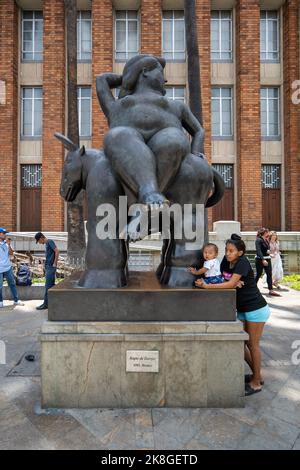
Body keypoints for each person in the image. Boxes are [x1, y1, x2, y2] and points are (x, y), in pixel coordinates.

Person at [96, 54, 205, 210]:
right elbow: (101, 79)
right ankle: (149, 194)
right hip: (127, 147)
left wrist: (196, 154)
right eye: (161, 73)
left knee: (173, 138)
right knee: (118, 135)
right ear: (145, 71)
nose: (165, 80)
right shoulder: (118, 106)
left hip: (169, 149)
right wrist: (129, 76)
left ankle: (147, 200)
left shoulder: (176, 106)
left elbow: (198, 130)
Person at [196, 234, 270, 396]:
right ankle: (257, 375)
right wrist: (231, 282)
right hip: (242, 308)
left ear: (240, 253)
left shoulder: (242, 263)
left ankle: (256, 383)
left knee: (252, 345)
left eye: (231, 251)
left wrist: (207, 287)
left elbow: (229, 284)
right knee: (240, 345)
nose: (228, 253)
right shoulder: (225, 262)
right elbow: (222, 277)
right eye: (226, 250)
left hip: (255, 308)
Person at [35, 232, 59, 310]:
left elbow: (57, 251)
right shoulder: (47, 244)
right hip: (49, 267)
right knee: (51, 286)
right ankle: (51, 303)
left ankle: (45, 304)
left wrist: (55, 263)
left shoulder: (49, 241)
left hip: (51, 267)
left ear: (42, 237)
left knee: (48, 286)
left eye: (39, 241)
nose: (39, 243)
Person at [0, 228, 24, 308]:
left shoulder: (6, 243)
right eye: (3, 233)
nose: (5, 235)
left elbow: (11, 253)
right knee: (0, 286)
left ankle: (16, 300)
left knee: (12, 284)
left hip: (7, 267)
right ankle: (0, 302)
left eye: (5, 233)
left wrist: (9, 245)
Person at [255, 228, 280, 297]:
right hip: (260, 259)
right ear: (263, 233)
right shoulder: (258, 240)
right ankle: (253, 287)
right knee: (259, 274)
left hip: (267, 259)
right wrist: (263, 259)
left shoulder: (266, 240)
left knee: (269, 274)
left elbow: (266, 250)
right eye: (267, 232)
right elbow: (258, 251)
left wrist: (269, 253)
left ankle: (271, 290)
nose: (268, 233)